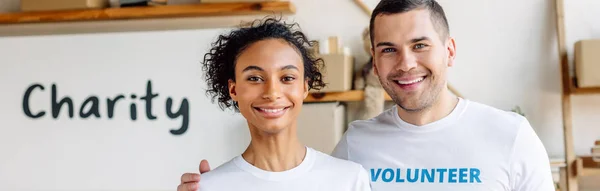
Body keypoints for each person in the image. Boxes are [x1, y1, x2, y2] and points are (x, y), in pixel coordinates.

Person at [178, 0, 555, 190]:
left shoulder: (511, 136)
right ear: (374, 61)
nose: (406, 63)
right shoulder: (356, 148)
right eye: (389, 49)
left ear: (450, 51)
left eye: (420, 45)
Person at [183, 17, 372, 191]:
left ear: (305, 87)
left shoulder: (350, 180)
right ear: (234, 90)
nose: (272, 93)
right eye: (255, 78)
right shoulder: (209, 187)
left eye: (287, 78)